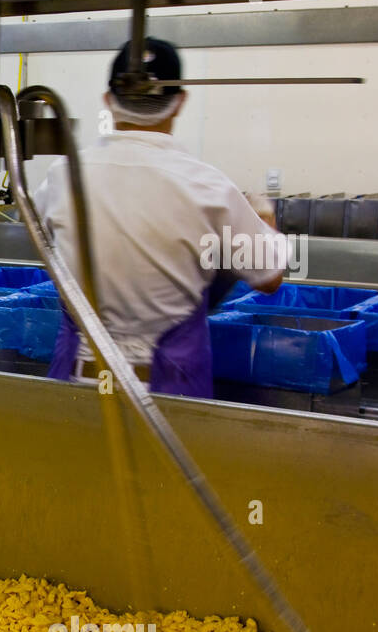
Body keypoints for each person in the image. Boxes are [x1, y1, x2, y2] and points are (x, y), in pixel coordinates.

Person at [37, 37, 284, 399]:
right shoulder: (209, 188)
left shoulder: (62, 177)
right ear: (180, 102)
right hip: (169, 396)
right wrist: (264, 217)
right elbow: (269, 278)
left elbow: (47, 246)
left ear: (108, 100)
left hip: (74, 390)